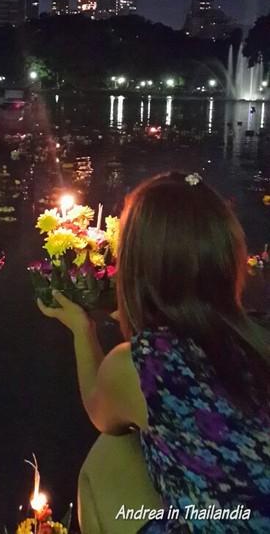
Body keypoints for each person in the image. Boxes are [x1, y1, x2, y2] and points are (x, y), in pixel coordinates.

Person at [38, 172, 270, 533]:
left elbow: (102, 414)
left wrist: (83, 330)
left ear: (136, 266)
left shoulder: (148, 362)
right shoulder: (260, 331)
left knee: (107, 459)